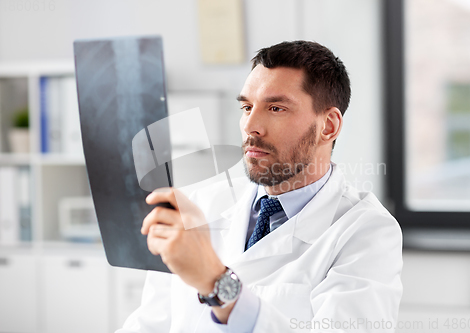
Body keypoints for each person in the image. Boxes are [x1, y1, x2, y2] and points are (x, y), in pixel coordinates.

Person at [117, 40, 403, 333]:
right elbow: (148, 324)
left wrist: (217, 282)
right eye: (246, 107)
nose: (250, 126)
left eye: (276, 108)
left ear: (328, 126)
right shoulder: (199, 205)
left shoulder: (367, 232)